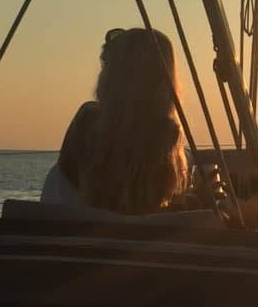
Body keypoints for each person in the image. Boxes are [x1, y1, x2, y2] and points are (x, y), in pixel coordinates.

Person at [41, 27, 189, 216]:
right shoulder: (165, 137)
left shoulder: (89, 122)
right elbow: (141, 210)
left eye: (105, 66)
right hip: (121, 240)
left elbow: (106, 203)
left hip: (67, 236)